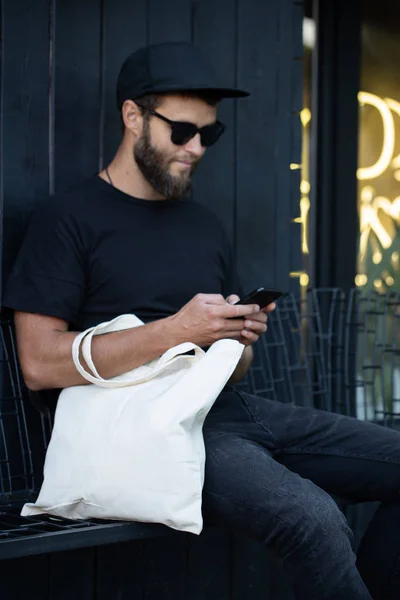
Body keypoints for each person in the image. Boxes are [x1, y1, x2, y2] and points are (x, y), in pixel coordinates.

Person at [4, 41, 400, 600]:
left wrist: (236, 340)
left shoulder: (203, 225)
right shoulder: (67, 219)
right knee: (312, 519)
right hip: (144, 428)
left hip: (229, 410)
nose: (196, 149)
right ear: (133, 116)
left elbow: (235, 369)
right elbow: (39, 363)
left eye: (208, 135)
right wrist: (177, 330)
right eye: (182, 132)